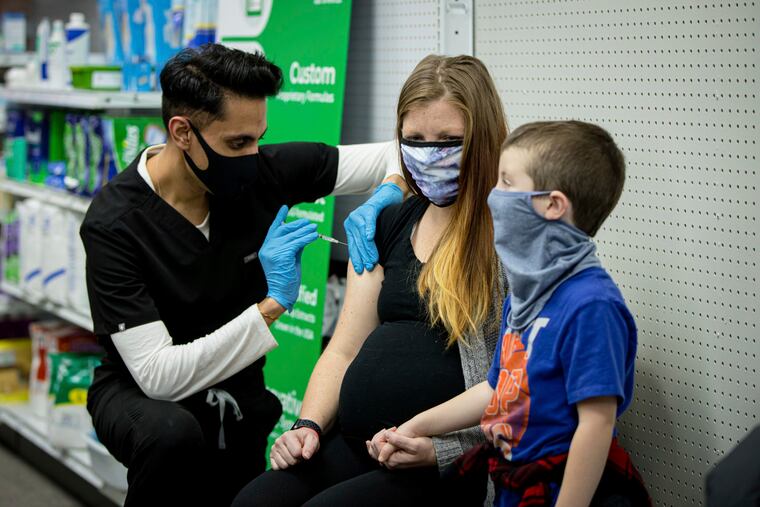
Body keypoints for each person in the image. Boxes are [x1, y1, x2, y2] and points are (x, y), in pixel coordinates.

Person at [81, 43, 408, 506]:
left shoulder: (263, 172)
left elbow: (404, 151)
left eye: (258, 137)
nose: (253, 156)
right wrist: (271, 306)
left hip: (237, 391)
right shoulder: (115, 223)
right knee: (172, 435)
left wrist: (387, 193)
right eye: (237, 143)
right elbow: (158, 375)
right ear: (182, 132)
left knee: (245, 481)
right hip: (139, 395)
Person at [232, 54, 508, 507]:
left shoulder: (507, 237)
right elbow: (344, 348)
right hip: (354, 444)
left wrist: (438, 450)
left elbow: (517, 385)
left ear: (483, 139)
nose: (428, 153)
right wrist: (308, 427)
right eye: (414, 140)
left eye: (448, 141)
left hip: (446, 459)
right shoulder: (389, 222)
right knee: (254, 501)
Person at [372, 121, 652, 507]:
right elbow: (495, 387)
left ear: (552, 205)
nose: (493, 195)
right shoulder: (527, 292)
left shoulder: (591, 306)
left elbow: (596, 424)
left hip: (557, 486)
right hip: (512, 481)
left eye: (507, 182)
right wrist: (413, 427)